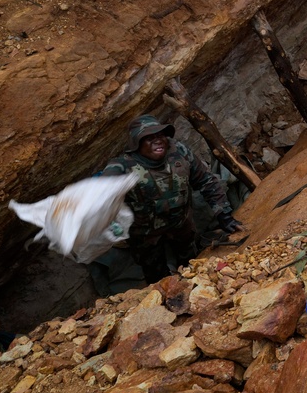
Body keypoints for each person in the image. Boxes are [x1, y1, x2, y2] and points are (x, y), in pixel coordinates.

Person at [99, 114, 243, 283]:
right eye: (149, 138)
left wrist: (223, 213)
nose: (158, 141)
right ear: (136, 144)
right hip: (146, 236)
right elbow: (101, 194)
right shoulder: (122, 166)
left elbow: (206, 180)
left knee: (191, 265)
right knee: (156, 277)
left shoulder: (178, 151)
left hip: (181, 225)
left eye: (160, 135)